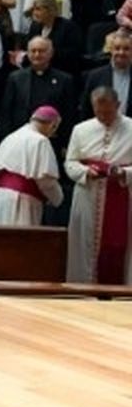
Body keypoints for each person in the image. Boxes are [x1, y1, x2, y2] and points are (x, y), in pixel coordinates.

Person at [64, 87, 132, 285]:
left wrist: (124, 173)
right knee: (84, 246)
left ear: (118, 106)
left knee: (120, 247)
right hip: (88, 195)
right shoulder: (80, 129)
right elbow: (70, 162)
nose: (103, 117)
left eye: (108, 112)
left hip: (123, 195)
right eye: (98, 112)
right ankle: (84, 287)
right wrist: (86, 172)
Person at [0, 106, 65, 225]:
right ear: (52, 125)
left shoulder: (12, 136)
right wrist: (58, 198)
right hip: (22, 201)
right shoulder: (40, 141)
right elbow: (45, 181)